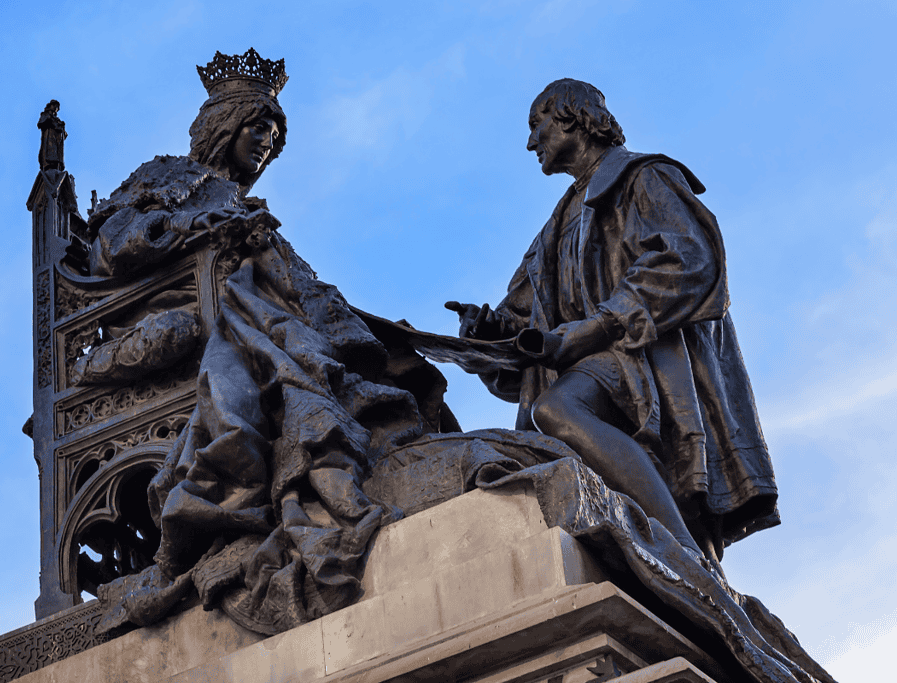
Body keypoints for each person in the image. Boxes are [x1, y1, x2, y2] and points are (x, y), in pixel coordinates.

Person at [87, 49, 452, 636]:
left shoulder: (244, 204)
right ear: (224, 124)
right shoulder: (167, 177)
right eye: (259, 126)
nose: (266, 142)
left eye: (275, 135)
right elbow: (112, 244)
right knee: (274, 352)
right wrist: (196, 228)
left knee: (381, 355)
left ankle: (378, 454)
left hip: (254, 305)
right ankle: (295, 473)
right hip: (183, 308)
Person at [448, 79, 778, 567]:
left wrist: (599, 326)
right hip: (602, 368)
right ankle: (694, 564)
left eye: (536, 125)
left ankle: (682, 551)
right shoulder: (552, 233)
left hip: (646, 361)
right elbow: (525, 325)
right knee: (552, 416)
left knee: (556, 409)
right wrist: (488, 330)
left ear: (571, 118)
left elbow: (689, 260)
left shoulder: (646, 178)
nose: (529, 142)